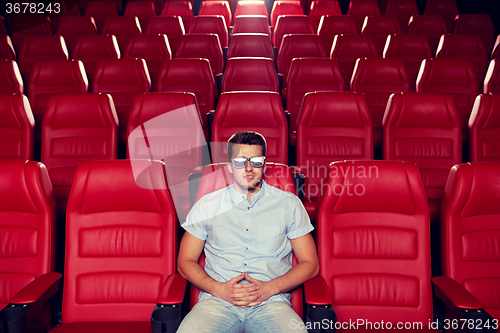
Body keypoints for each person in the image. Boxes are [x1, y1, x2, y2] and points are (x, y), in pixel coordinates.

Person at [177, 131, 319, 333]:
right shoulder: (206, 205)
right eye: (240, 161)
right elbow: (185, 262)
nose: (249, 168)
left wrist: (270, 288)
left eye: (256, 161)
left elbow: (310, 264)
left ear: (265, 165)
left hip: (271, 303)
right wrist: (219, 290)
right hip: (216, 303)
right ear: (229, 167)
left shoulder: (289, 204)